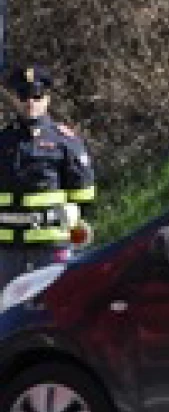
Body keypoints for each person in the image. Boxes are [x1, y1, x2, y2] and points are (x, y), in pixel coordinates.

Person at [0, 65, 96, 282]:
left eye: (37, 95)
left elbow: (85, 194)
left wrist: (72, 219)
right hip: (7, 249)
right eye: (24, 95)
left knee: (53, 308)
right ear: (15, 99)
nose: (30, 102)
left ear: (47, 98)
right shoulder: (2, 141)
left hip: (52, 246)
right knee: (7, 312)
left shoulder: (65, 141)